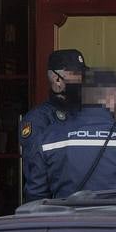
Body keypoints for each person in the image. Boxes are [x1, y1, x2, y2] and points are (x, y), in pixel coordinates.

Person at [25, 69, 116, 200]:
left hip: (67, 222)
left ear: (79, 97)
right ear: (111, 97)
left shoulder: (49, 138)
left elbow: (36, 198)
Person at [20, 49, 87, 199]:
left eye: (83, 75)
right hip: (56, 206)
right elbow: (36, 177)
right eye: (76, 75)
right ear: (57, 79)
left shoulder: (87, 112)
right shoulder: (37, 119)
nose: (82, 80)